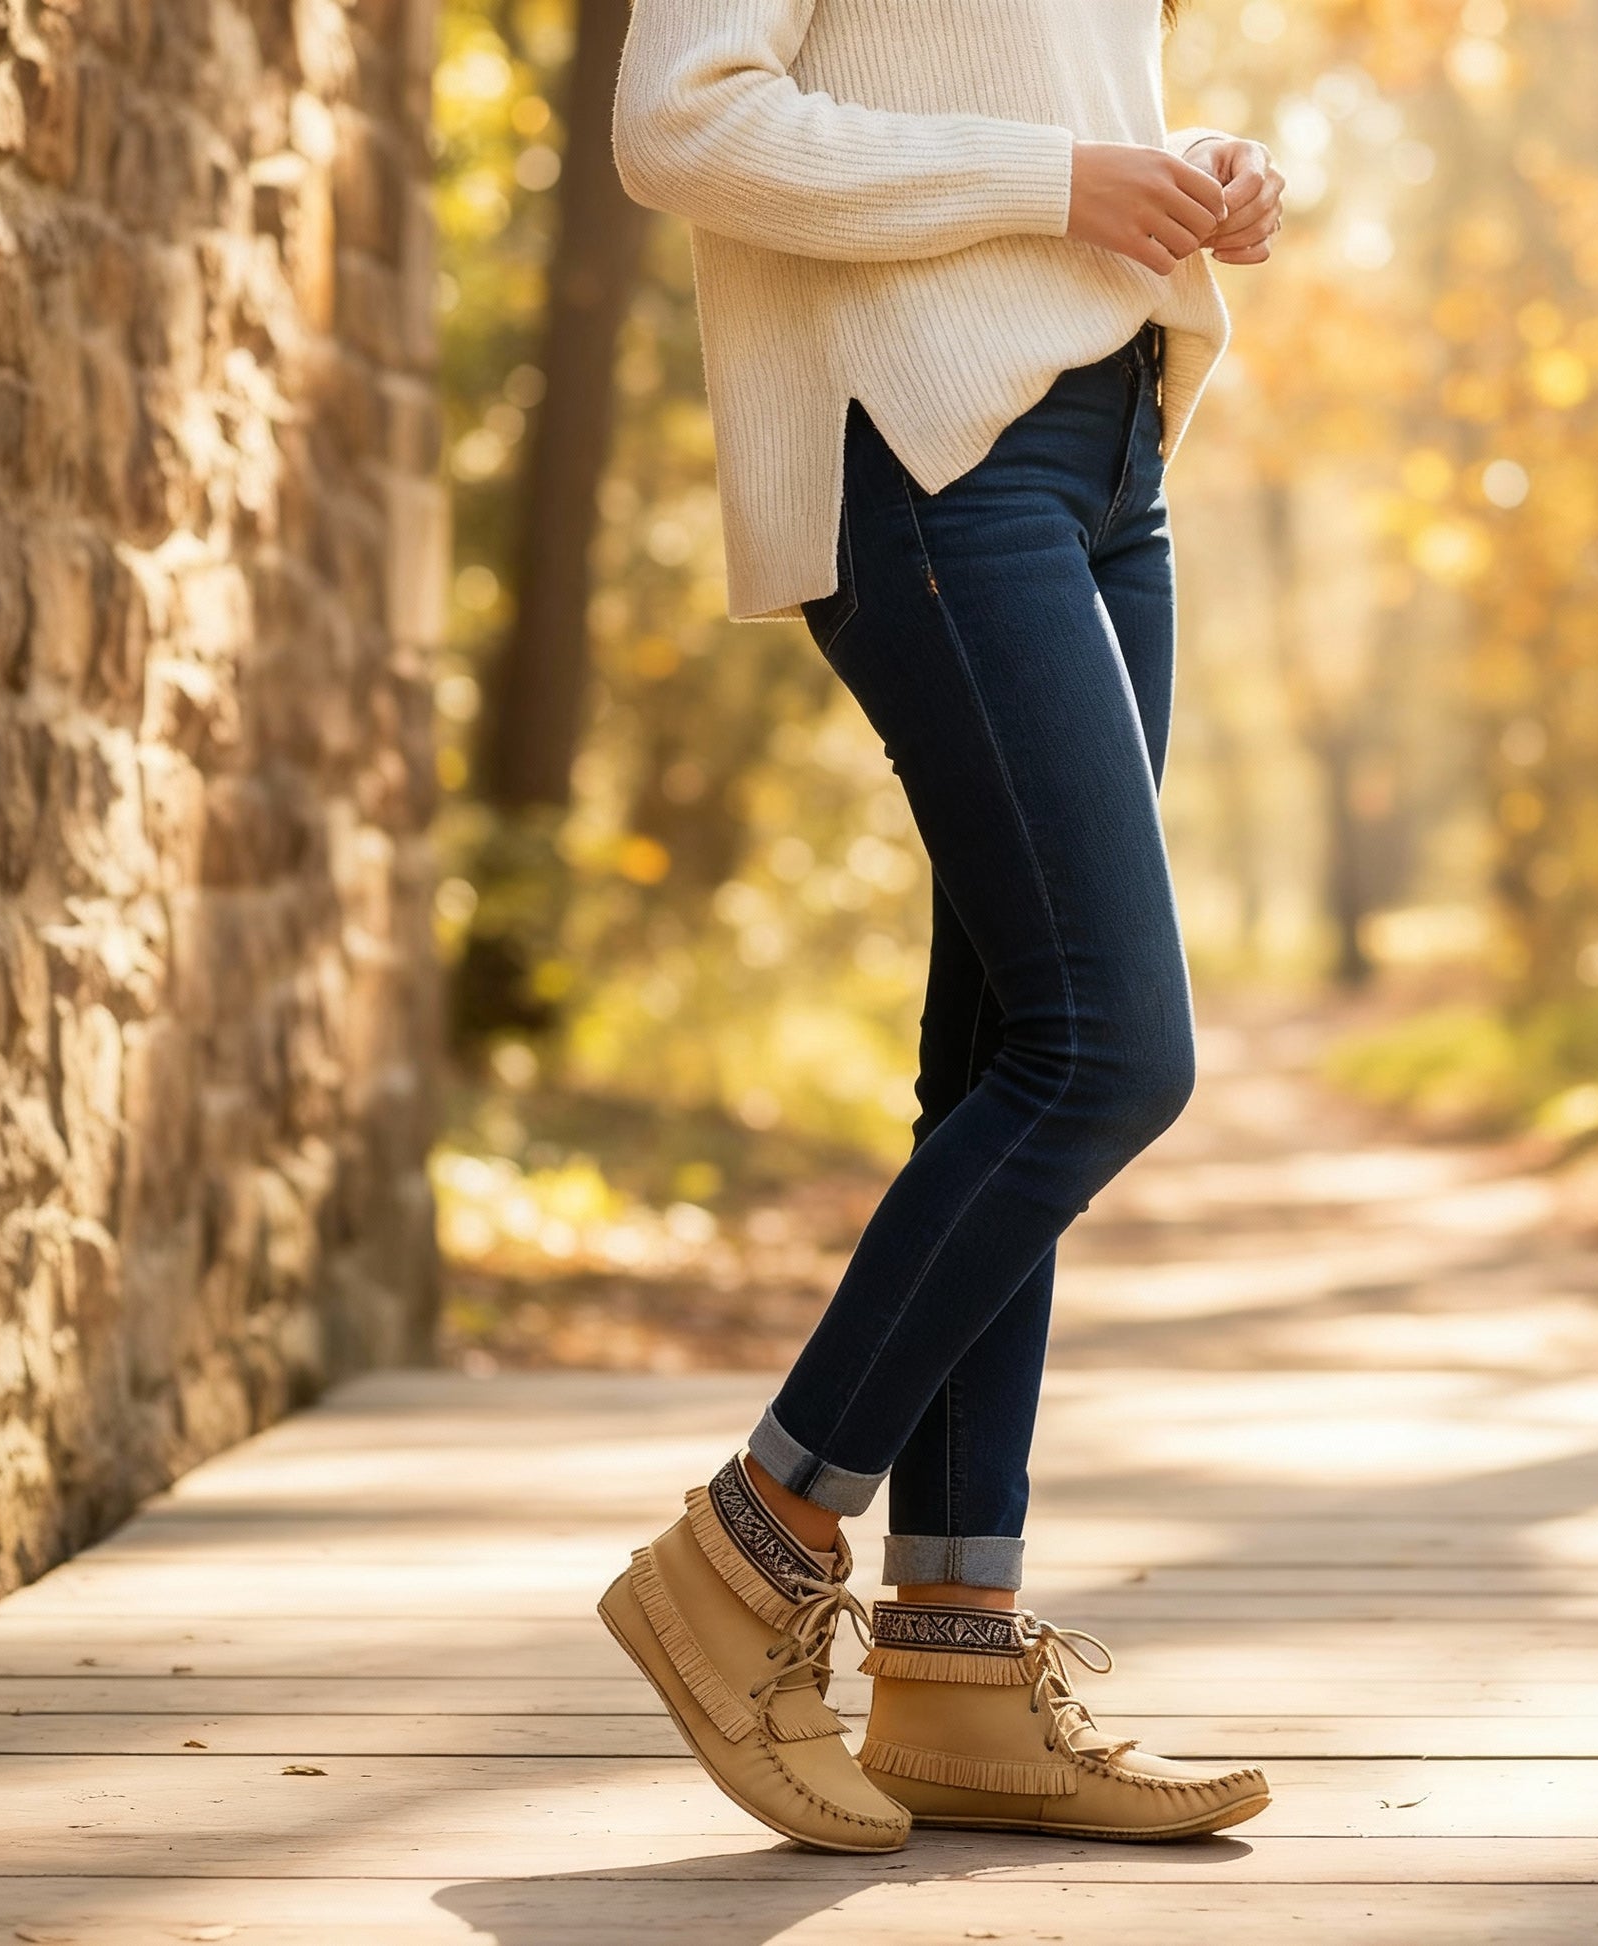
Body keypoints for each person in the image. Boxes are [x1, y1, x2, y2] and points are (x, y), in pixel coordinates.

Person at [595, 0, 1286, 1854]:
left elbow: (1012, 85)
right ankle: (748, 1549)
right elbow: (681, 122)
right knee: (1109, 1050)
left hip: (1109, 443)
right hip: (922, 442)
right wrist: (1065, 180)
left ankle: (958, 1662)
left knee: (1005, 1054)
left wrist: (1180, 175)